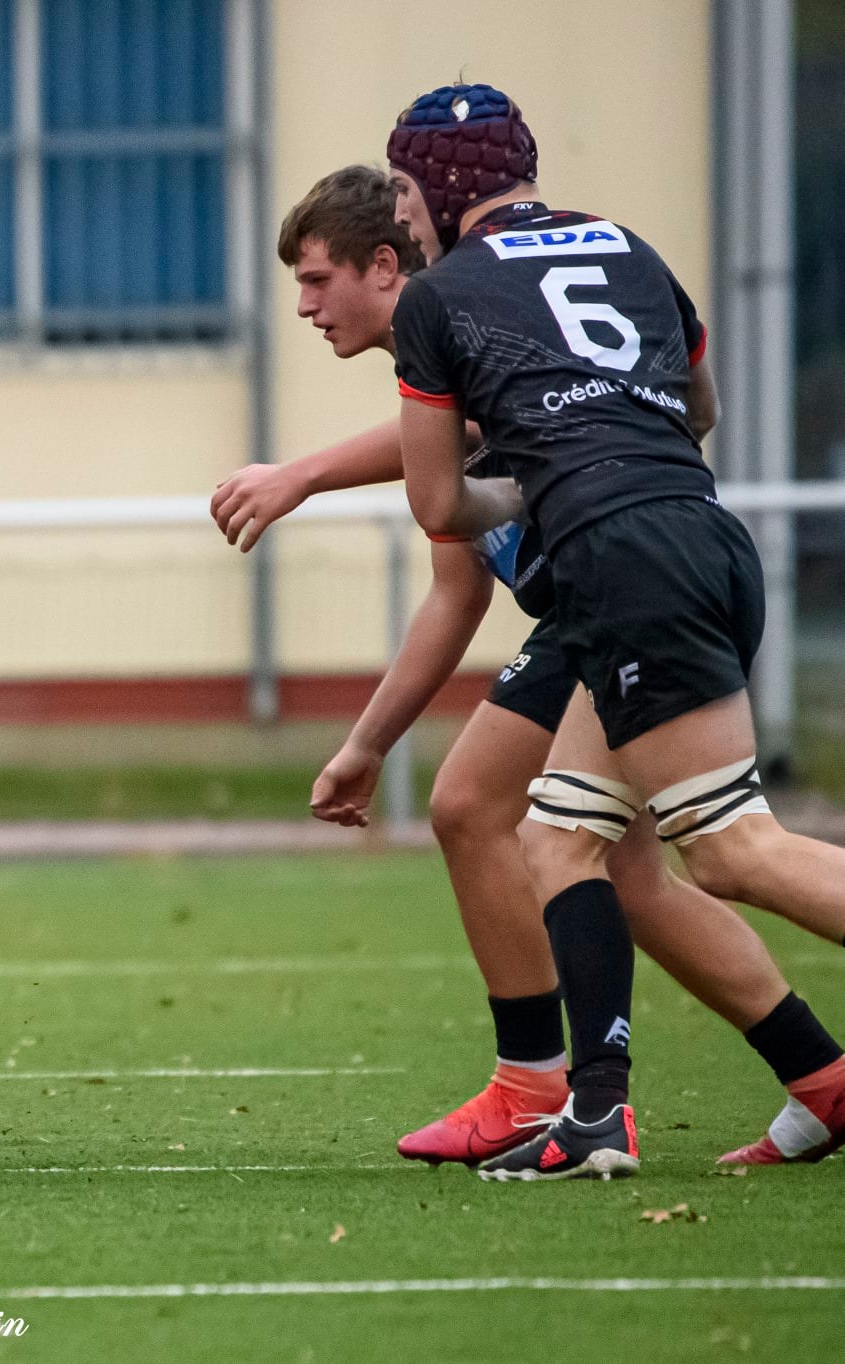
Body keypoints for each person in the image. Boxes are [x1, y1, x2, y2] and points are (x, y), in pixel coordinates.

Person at [221, 163, 845, 1170]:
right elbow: (454, 588)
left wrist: (297, 474)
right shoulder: (454, 356)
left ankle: (537, 1087)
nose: (302, 306)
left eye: (314, 279)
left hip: (623, 590)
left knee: (494, 809)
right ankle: (813, 1076)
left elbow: (474, 450)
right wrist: (367, 740)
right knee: (625, 871)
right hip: (621, 596)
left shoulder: (474, 342)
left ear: (386, 266)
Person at [389, 83, 845, 1178]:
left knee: (732, 848)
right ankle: (602, 1114)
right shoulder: (631, 250)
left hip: (620, 558)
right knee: (559, 837)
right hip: (698, 530)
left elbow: (441, 506)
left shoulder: (439, 295)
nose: (400, 217)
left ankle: (604, 1108)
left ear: (439, 186)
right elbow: (699, 409)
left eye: (403, 191)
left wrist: (535, 490)